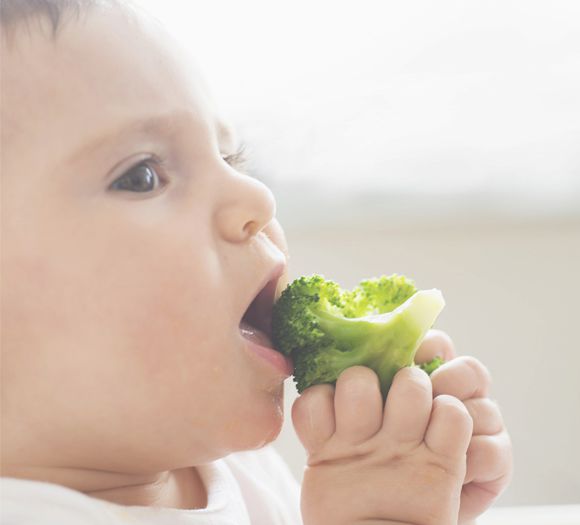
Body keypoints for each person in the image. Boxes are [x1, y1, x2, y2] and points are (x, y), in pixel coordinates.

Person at [0, 1, 513, 523]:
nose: (257, 199)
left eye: (229, 159)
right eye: (142, 176)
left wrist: (406, 487)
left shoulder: (244, 477)